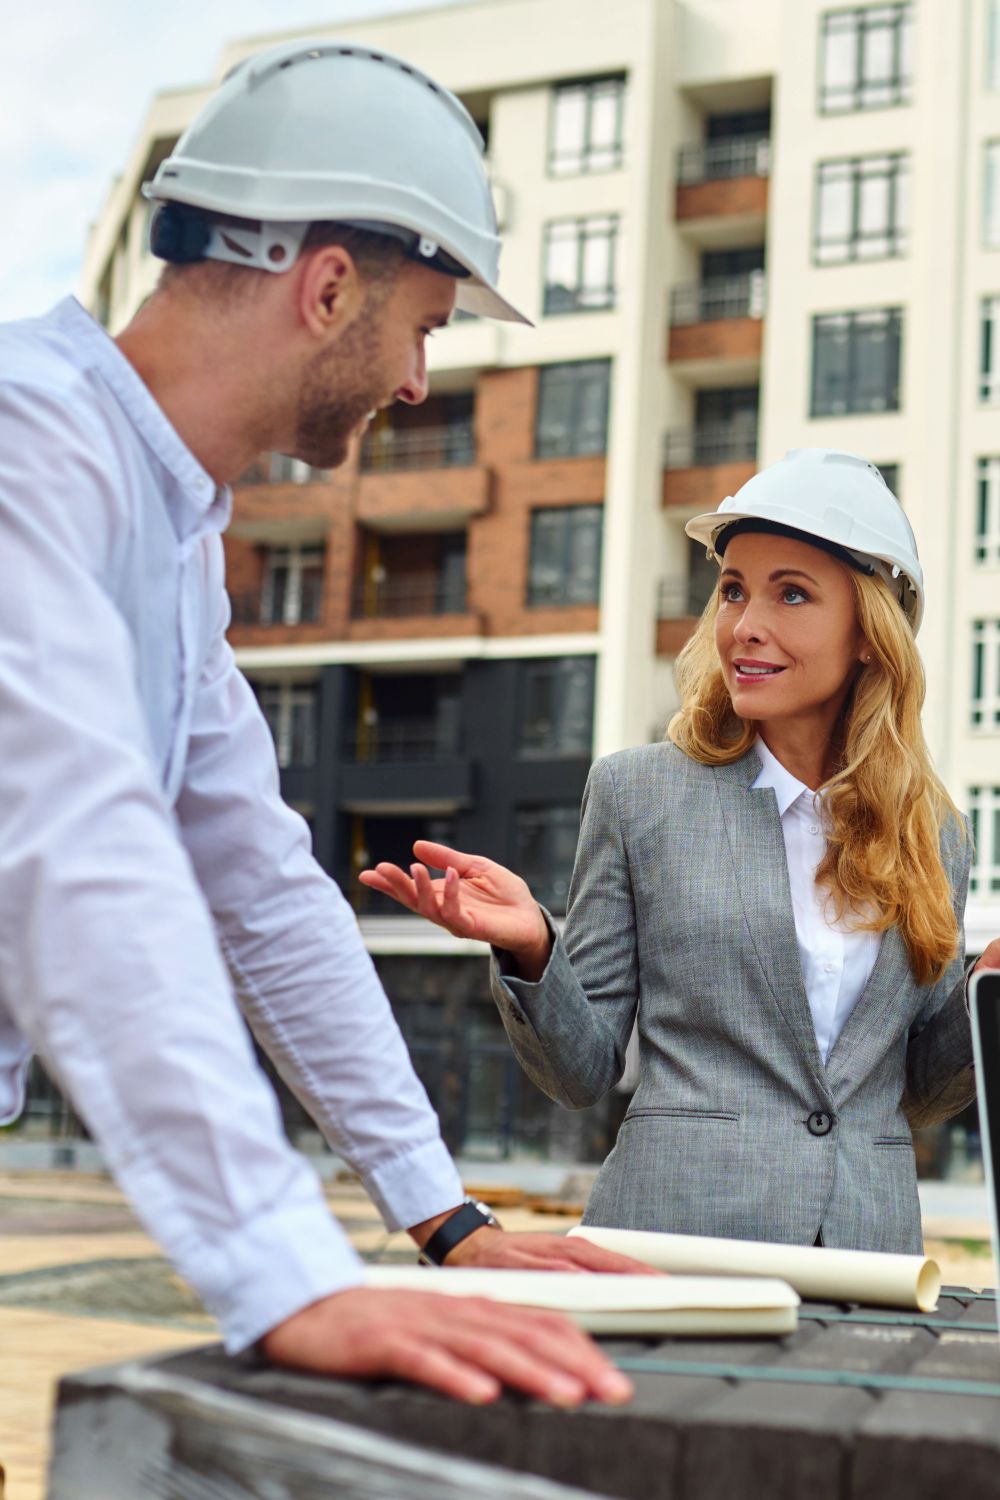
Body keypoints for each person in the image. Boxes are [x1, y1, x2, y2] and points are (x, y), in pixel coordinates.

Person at [0, 40, 647, 1410]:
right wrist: (278, 1267)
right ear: (329, 285)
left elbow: (261, 893)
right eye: (425, 325)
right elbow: (72, 845)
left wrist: (444, 1219)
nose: (417, 380)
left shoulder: (166, 539)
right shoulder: (25, 447)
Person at [362, 448, 1000, 1253]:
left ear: (870, 634)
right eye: (733, 589)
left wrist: (989, 986)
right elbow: (580, 1074)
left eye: (791, 594)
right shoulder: (640, 795)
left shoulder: (934, 832)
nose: (744, 625)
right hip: (671, 1244)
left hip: (868, 1259)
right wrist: (530, 949)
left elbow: (919, 1091)